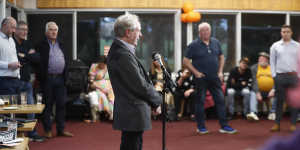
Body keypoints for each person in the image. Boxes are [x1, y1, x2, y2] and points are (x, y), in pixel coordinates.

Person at [107, 13, 162, 150]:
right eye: (138, 31)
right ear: (128, 32)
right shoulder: (122, 54)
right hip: (132, 111)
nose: (141, 35)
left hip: (132, 110)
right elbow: (139, 85)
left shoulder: (122, 50)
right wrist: (157, 100)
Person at [183, 22, 237, 134]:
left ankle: (224, 126)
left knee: (220, 100)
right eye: (203, 30)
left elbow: (222, 57)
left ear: (210, 31)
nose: (205, 32)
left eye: (207, 30)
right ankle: (201, 127)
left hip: (214, 78)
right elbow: (186, 61)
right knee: (200, 102)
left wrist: (221, 71)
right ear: (199, 32)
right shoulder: (193, 45)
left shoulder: (216, 42)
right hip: (200, 79)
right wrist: (196, 72)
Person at [35, 21, 73, 138]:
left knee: (61, 105)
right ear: (46, 32)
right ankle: (47, 130)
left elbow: (66, 59)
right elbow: (37, 63)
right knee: (48, 105)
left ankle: (61, 130)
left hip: (61, 79)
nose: (53, 32)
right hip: (48, 79)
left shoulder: (61, 43)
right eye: (51, 29)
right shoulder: (40, 45)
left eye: (55, 30)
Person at [13, 20, 45, 142]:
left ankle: (32, 132)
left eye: (26, 30)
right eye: (22, 29)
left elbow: (37, 58)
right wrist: (28, 56)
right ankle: (14, 135)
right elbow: (15, 58)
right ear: (15, 30)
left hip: (26, 83)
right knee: (13, 109)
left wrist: (24, 56)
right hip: (13, 83)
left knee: (29, 108)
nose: (25, 32)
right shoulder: (11, 43)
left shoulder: (27, 43)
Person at [269, 24, 300, 132]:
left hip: (294, 77)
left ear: (291, 33)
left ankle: (293, 124)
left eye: (287, 32)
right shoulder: (275, 46)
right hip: (280, 77)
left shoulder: (297, 46)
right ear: (281, 33)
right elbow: (272, 62)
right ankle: (277, 124)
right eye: (283, 32)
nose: (285, 33)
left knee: (294, 102)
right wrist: (274, 76)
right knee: (279, 101)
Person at [247, 52, 276, 121]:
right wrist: (257, 92)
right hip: (259, 91)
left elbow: (277, 80)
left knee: (278, 92)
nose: (260, 60)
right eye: (259, 58)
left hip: (271, 91)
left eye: (262, 58)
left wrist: (273, 89)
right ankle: (253, 113)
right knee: (253, 93)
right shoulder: (254, 67)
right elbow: (254, 81)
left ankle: (272, 112)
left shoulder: (273, 67)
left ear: (267, 60)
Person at [86, 56, 114, 122]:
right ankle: (109, 113)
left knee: (112, 97)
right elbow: (91, 80)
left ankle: (113, 115)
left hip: (109, 87)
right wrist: (101, 89)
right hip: (97, 87)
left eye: (103, 64)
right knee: (103, 96)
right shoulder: (94, 67)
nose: (101, 65)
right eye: (100, 63)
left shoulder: (108, 67)